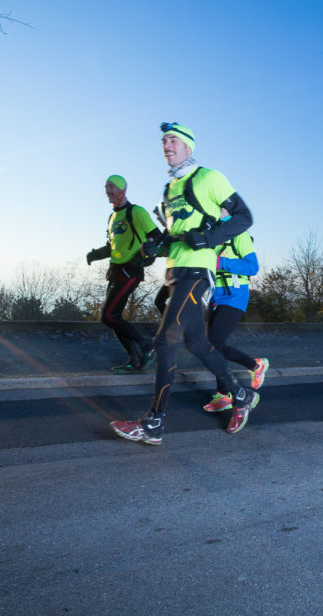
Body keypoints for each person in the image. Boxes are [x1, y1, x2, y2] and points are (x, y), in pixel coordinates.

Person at [110, 121, 260, 445]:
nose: (167, 145)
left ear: (189, 147)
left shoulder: (209, 177)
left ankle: (154, 423)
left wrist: (207, 238)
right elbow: (175, 237)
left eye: (173, 140)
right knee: (198, 344)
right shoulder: (169, 190)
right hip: (175, 272)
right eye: (164, 141)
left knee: (166, 342)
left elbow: (244, 217)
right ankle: (241, 395)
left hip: (197, 272)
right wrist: (155, 248)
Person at [86, 174, 161, 373]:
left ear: (122, 190)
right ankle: (135, 360)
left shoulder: (136, 212)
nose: (107, 191)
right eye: (106, 187)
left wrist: (145, 256)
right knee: (112, 316)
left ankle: (147, 344)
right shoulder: (112, 217)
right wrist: (94, 255)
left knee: (109, 315)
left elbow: (156, 237)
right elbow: (111, 247)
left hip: (132, 270)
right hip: (116, 270)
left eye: (111, 187)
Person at [203, 212, 269, 412]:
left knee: (214, 343)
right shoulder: (212, 236)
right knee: (212, 345)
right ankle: (224, 394)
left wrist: (220, 263)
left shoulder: (240, 235)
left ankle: (252, 368)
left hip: (235, 294)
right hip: (215, 296)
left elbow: (253, 267)